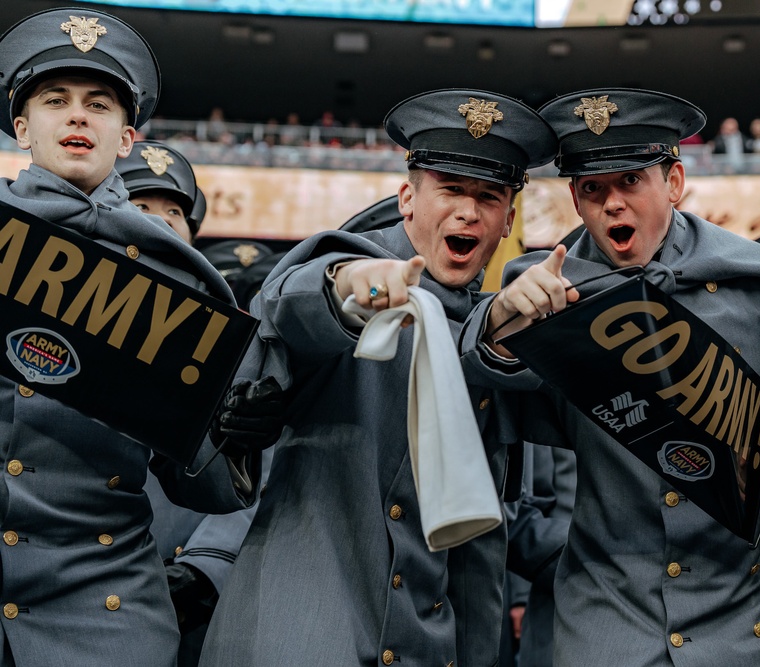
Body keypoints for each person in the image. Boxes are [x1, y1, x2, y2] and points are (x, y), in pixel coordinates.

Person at [464, 88, 760, 665]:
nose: (613, 204)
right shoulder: (543, 292)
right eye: (592, 189)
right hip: (608, 619)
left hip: (739, 620)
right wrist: (500, 324)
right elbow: (486, 402)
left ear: (674, 183)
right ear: (575, 202)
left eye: (631, 181)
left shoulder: (758, 283)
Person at [199, 88, 557, 666]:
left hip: (420, 642)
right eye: (451, 190)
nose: (468, 211)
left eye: (488, 197)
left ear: (508, 220)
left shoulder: (493, 331)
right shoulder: (354, 270)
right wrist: (348, 286)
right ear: (407, 198)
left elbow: (479, 548)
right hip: (302, 638)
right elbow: (288, 304)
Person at [0, 8, 261, 665]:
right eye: (55, 101)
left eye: (99, 104)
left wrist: (230, 436)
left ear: (127, 137)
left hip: (101, 603)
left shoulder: (179, 274)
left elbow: (198, 484)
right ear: (22, 128)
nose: (78, 116)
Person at [117, 141, 273, 666]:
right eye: (140, 208)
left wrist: (206, 568)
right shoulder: (62, 317)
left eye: (175, 213)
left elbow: (257, 469)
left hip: (195, 592)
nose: (161, 225)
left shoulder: (226, 349)